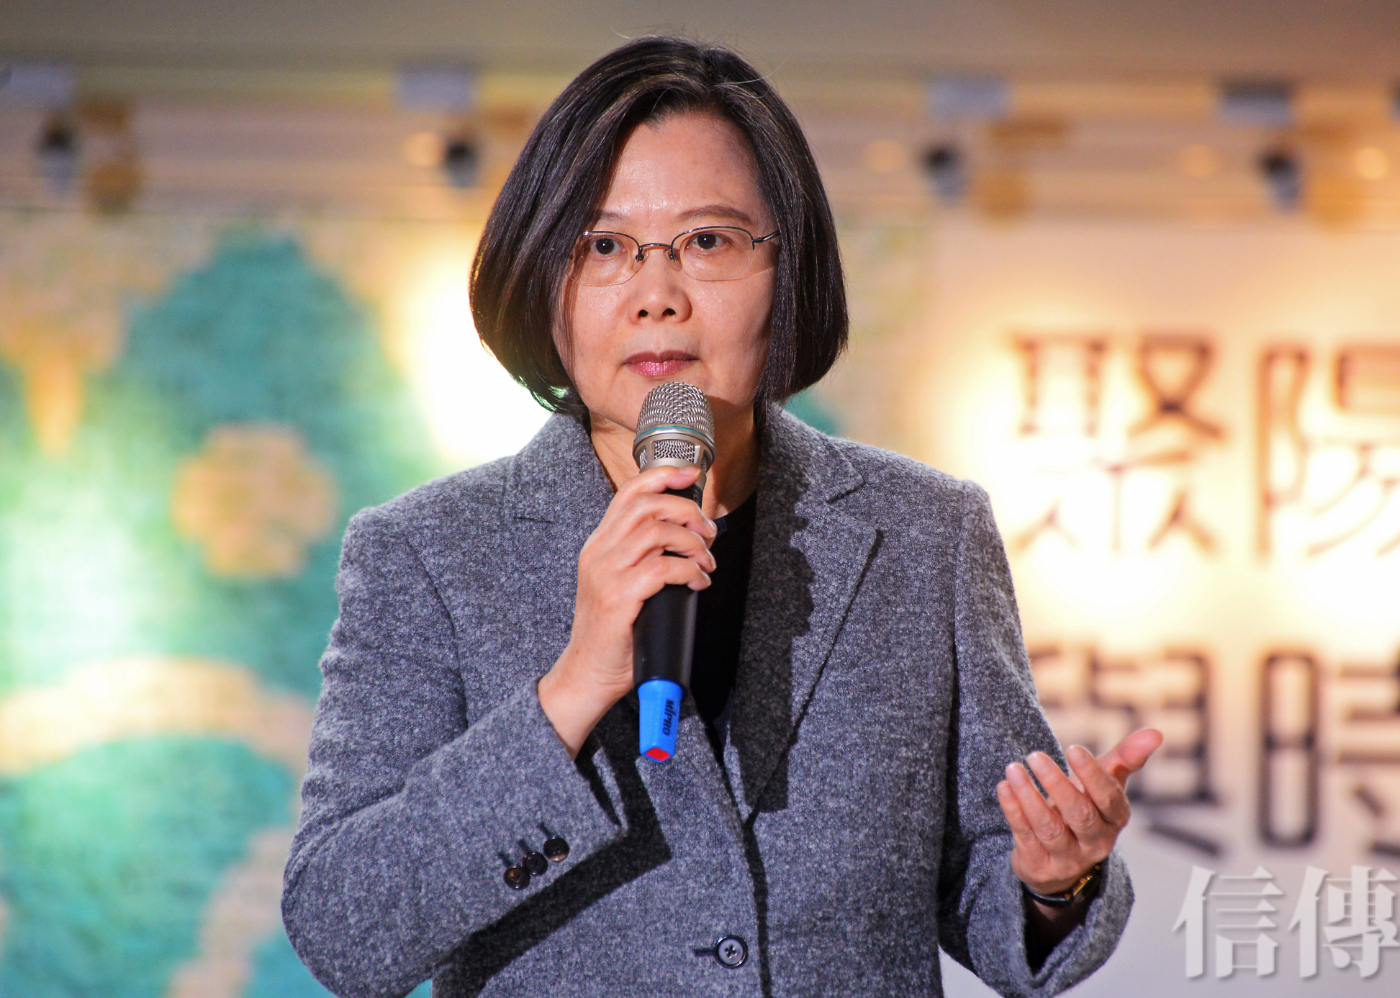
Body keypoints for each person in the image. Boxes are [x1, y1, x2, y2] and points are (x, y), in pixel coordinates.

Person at [282, 36, 1162, 998]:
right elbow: (342, 926)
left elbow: (991, 888)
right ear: (542, 278)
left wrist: (1054, 879)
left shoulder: (926, 534)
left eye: (708, 241)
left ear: (789, 269)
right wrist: (573, 688)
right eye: (605, 247)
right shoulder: (426, 554)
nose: (658, 297)